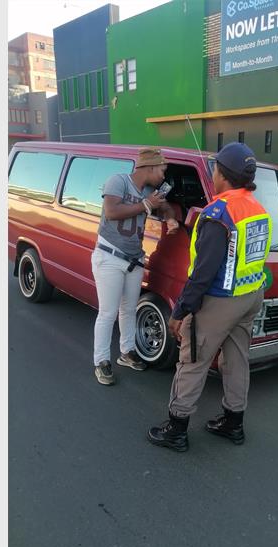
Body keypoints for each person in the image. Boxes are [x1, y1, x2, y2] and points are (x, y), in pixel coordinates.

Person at [146, 142, 272, 452]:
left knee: (192, 360)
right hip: (250, 294)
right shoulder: (258, 208)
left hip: (220, 300)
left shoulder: (219, 213)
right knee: (237, 360)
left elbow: (202, 272)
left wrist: (180, 311)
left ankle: (176, 429)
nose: (213, 173)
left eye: (215, 168)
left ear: (223, 175)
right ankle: (233, 422)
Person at [92, 147, 180, 386]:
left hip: (134, 258)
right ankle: (101, 361)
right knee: (108, 312)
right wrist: (145, 205)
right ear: (150, 167)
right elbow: (111, 211)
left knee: (129, 309)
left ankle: (126, 352)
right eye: (162, 170)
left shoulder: (152, 192)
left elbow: (166, 206)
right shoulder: (118, 181)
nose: (164, 175)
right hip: (110, 255)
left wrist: (170, 217)